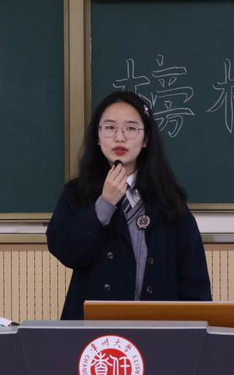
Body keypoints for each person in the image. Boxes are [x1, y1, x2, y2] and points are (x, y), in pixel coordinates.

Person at [46, 91, 212, 320]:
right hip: (95, 331)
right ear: (97, 137)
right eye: (110, 127)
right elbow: (67, 252)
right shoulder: (77, 193)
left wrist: (194, 330)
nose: (119, 137)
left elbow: (194, 280)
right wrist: (105, 203)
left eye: (131, 128)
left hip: (158, 329)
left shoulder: (168, 198)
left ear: (145, 140)